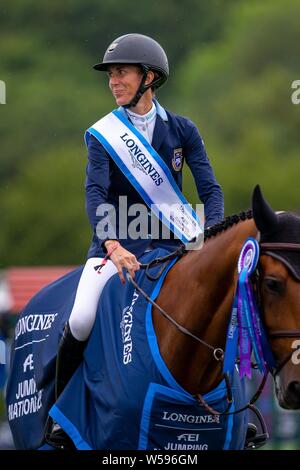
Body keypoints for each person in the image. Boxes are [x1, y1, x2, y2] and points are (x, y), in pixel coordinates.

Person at [46, 33, 224, 447]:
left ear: (149, 77)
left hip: (173, 248)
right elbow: (94, 195)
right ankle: (60, 412)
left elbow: (210, 193)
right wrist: (112, 245)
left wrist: (211, 238)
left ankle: (239, 407)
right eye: (110, 74)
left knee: (220, 306)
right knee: (82, 316)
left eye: (121, 72)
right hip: (115, 247)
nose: (113, 81)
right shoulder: (103, 136)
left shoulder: (182, 129)